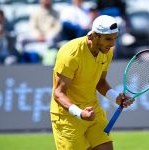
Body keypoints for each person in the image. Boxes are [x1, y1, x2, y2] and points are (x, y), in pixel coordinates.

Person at [50, 15, 134, 150]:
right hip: (68, 118)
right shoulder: (70, 54)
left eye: (114, 38)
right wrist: (80, 113)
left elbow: (100, 82)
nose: (112, 44)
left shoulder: (107, 51)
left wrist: (116, 98)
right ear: (94, 36)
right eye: (108, 39)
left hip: (93, 111)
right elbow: (58, 93)